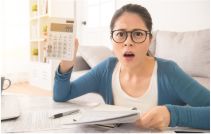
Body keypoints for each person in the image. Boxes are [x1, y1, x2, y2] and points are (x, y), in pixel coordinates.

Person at [53, 4, 210, 130]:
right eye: (120, 34)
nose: (128, 42)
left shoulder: (169, 72)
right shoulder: (105, 70)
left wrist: (172, 115)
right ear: (112, 40)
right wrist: (66, 65)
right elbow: (61, 95)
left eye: (137, 34)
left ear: (149, 39)